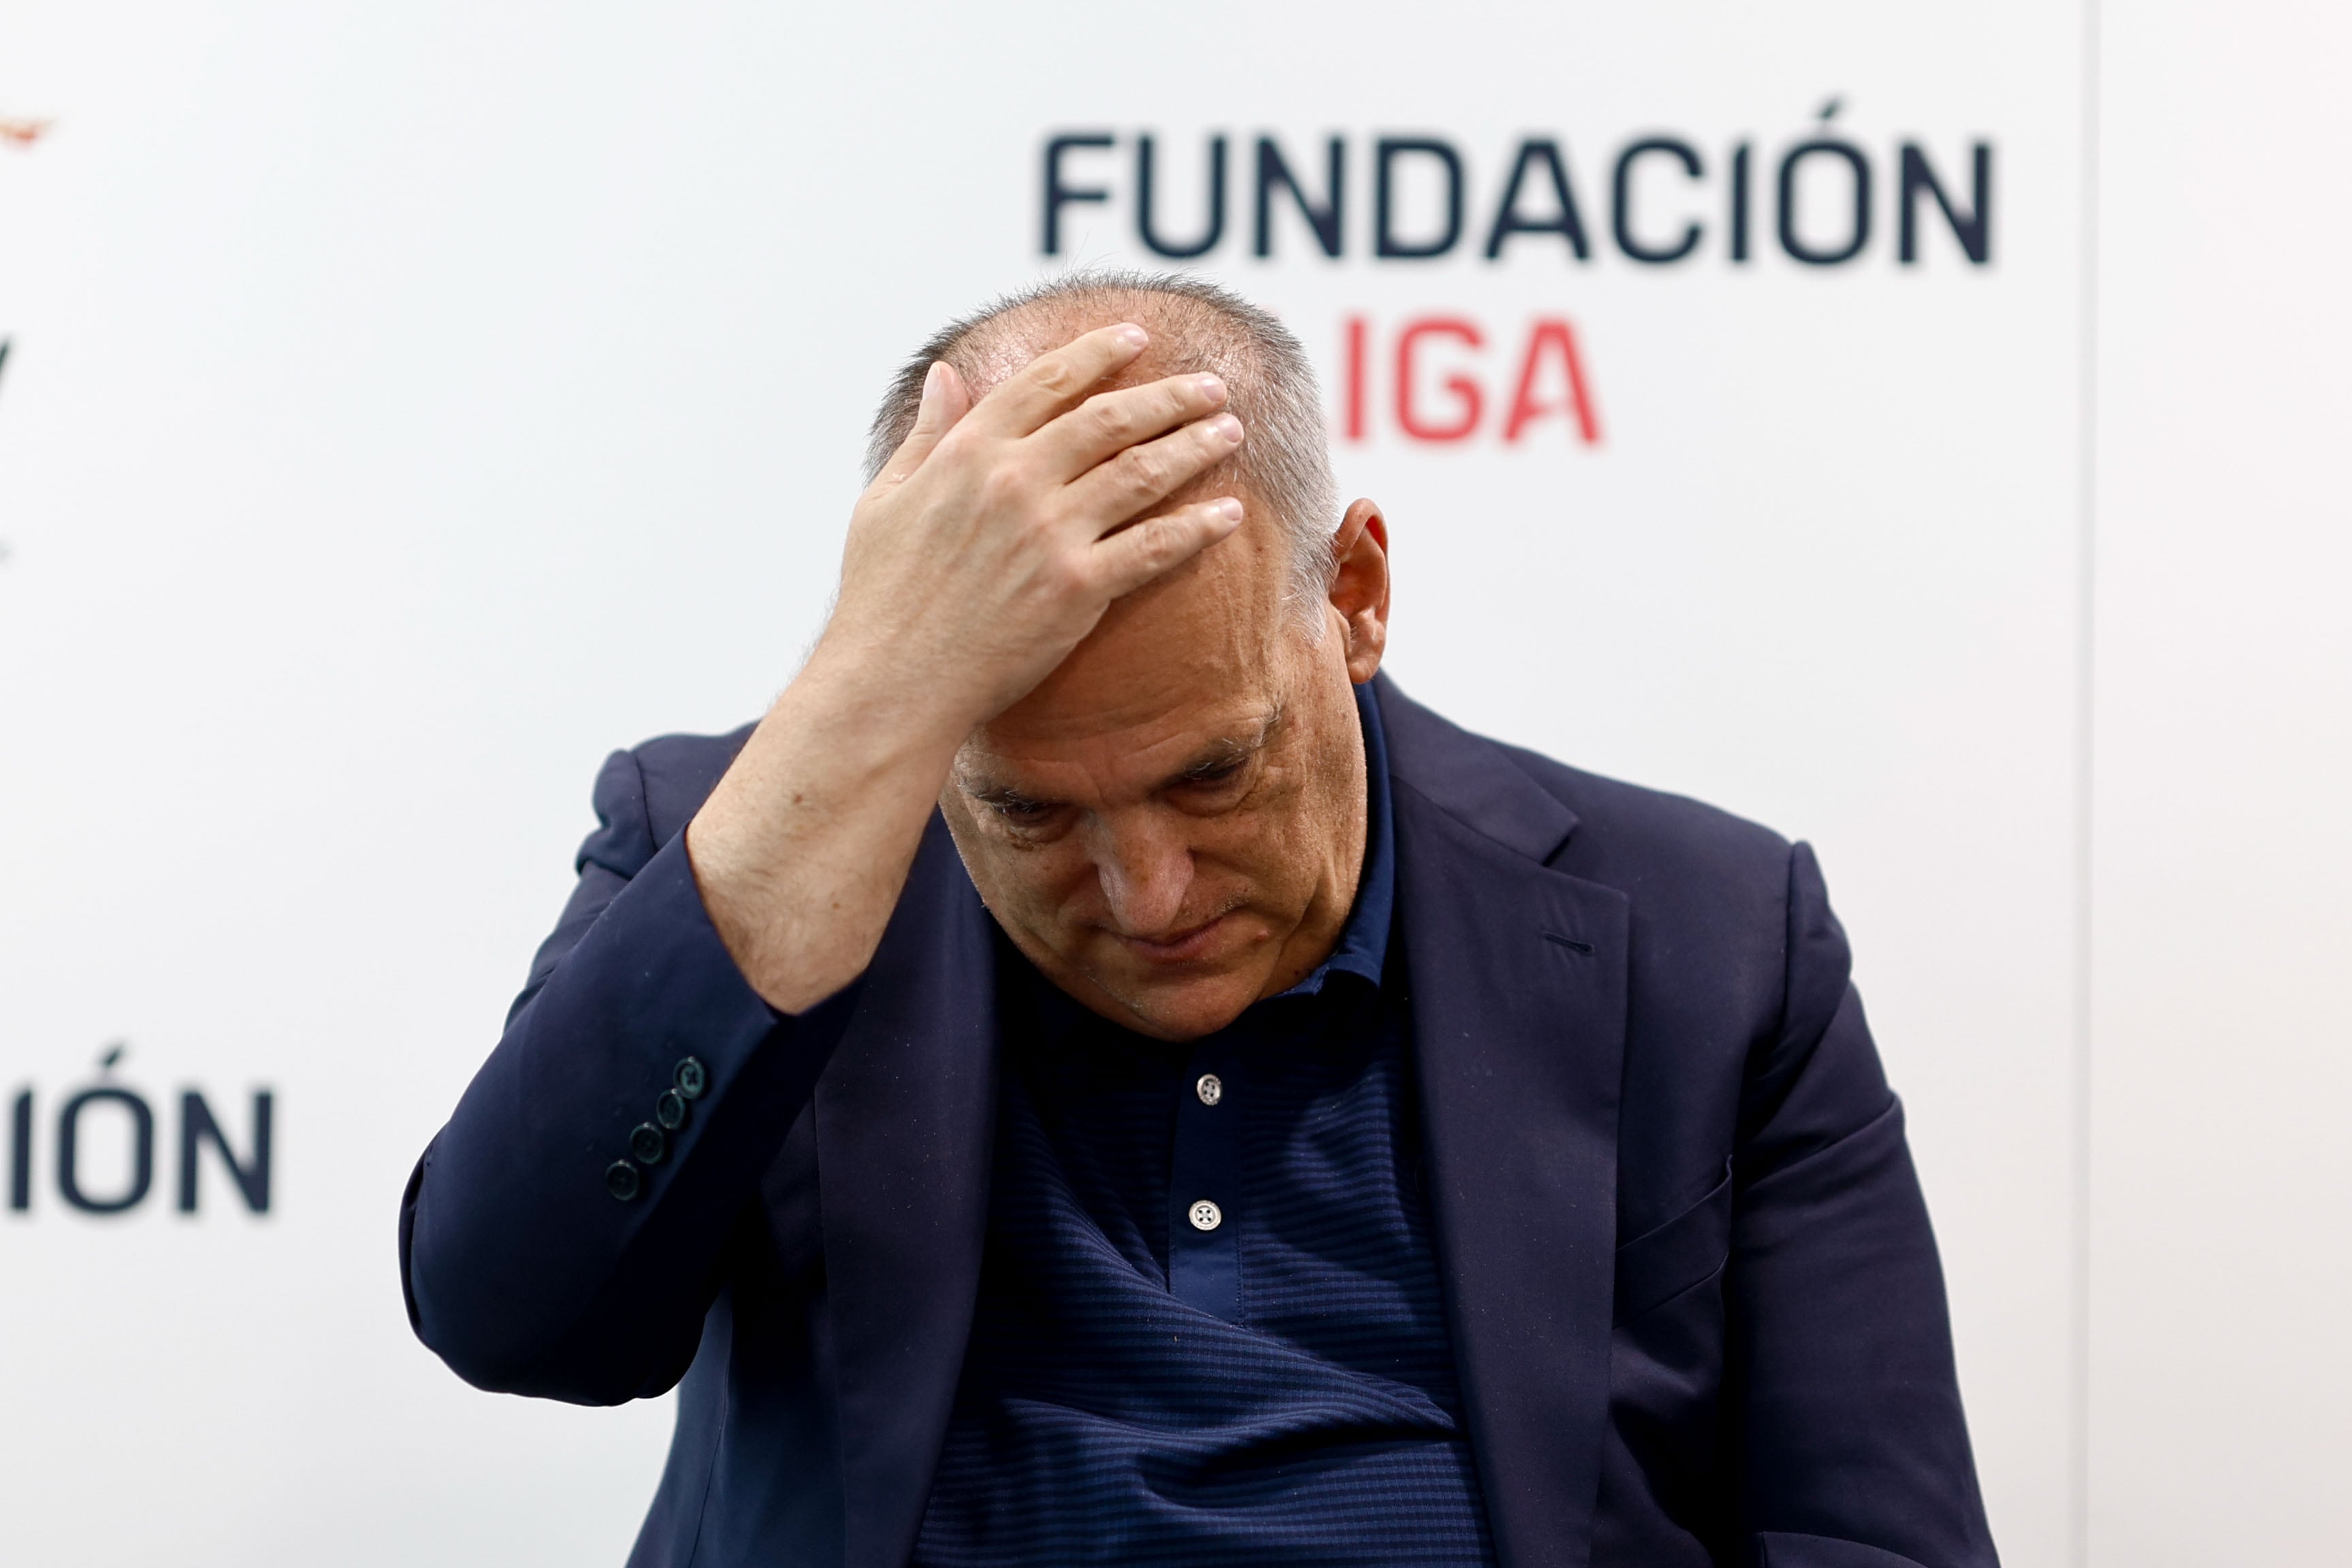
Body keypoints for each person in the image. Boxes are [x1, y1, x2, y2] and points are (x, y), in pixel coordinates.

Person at [400, 272, 1998, 1568]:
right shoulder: (757, 843)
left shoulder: (1708, 937)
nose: (1148, 894)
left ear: (1356, 596)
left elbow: (1875, 1538)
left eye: (1218, 775)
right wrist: (857, 715)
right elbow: (514, 1315)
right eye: (1030, 812)